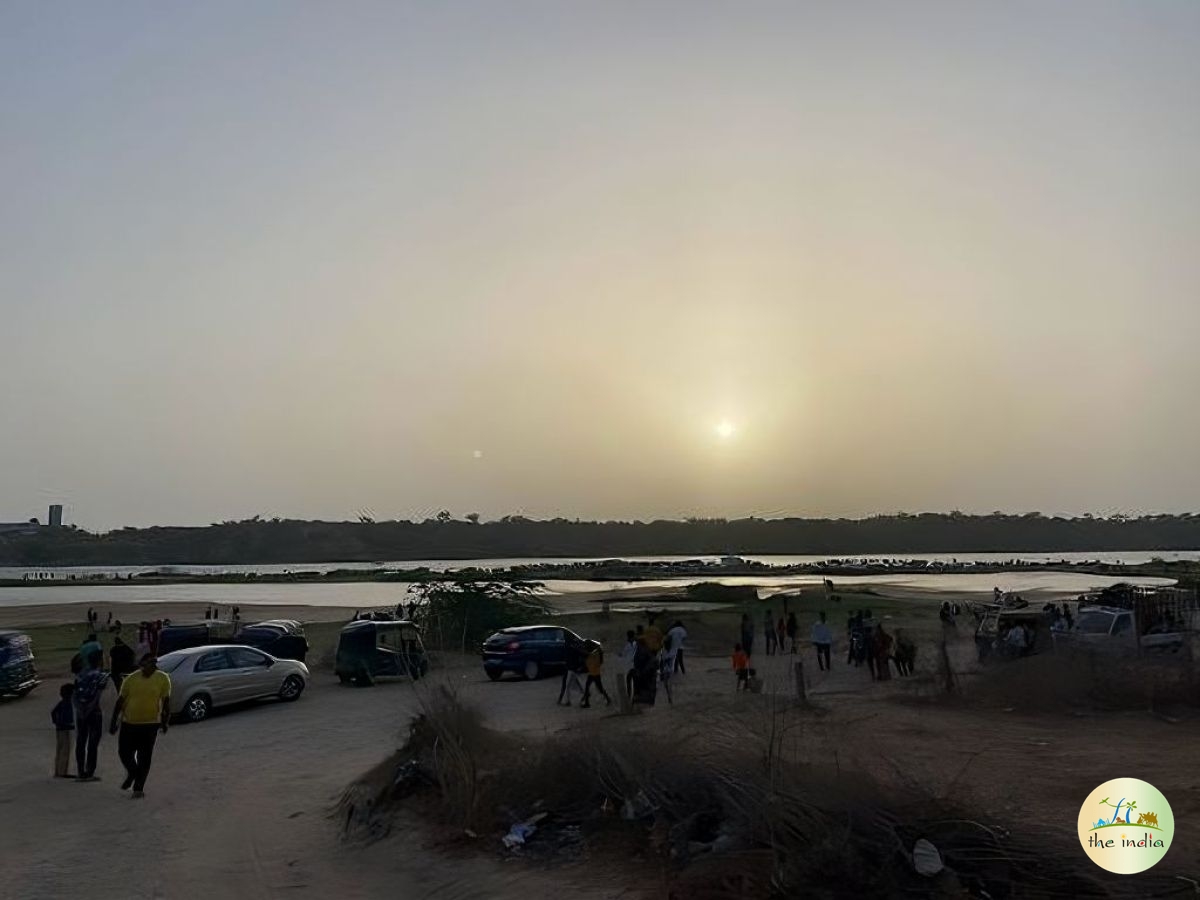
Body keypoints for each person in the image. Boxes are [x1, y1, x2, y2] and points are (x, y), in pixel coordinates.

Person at [109, 654, 171, 798]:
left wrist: (165, 720)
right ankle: (133, 772)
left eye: (151, 664)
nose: (148, 668)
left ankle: (138, 788)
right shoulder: (130, 679)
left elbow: (166, 701)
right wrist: (114, 722)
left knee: (145, 756)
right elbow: (120, 702)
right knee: (124, 753)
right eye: (145, 665)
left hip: (150, 725)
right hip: (129, 723)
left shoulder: (163, 678)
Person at [73, 651, 109, 781]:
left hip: (80, 711)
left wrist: (80, 709)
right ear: (100, 661)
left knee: (81, 740)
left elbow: (75, 694)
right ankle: (90, 771)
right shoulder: (101, 676)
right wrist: (89, 709)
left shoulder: (80, 675)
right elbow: (97, 695)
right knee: (93, 742)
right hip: (94, 711)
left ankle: (80, 771)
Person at [51, 684, 75, 778]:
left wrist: (56, 722)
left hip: (59, 728)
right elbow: (67, 718)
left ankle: (58, 771)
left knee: (60, 750)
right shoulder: (68, 703)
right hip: (65, 728)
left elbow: (53, 712)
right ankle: (62, 772)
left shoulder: (62, 703)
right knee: (65, 750)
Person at [580, 643, 611, 708]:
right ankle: (587, 702)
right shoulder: (596, 654)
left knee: (596, 688)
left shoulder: (595, 654)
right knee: (595, 688)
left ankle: (587, 702)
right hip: (594, 673)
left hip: (594, 673)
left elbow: (591, 661)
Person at [557, 640, 586, 707]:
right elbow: (583, 655)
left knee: (569, 686)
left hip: (571, 670)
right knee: (573, 685)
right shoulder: (576, 650)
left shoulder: (571, 650)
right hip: (574, 670)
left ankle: (568, 701)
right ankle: (569, 701)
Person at [617, 630, 638, 698]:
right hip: (632, 666)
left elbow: (622, 655)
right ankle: (632, 696)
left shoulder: (629, 645)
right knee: (632, 682)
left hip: (631, 666)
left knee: (630, 682)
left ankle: (630, 696)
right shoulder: (635, 644)